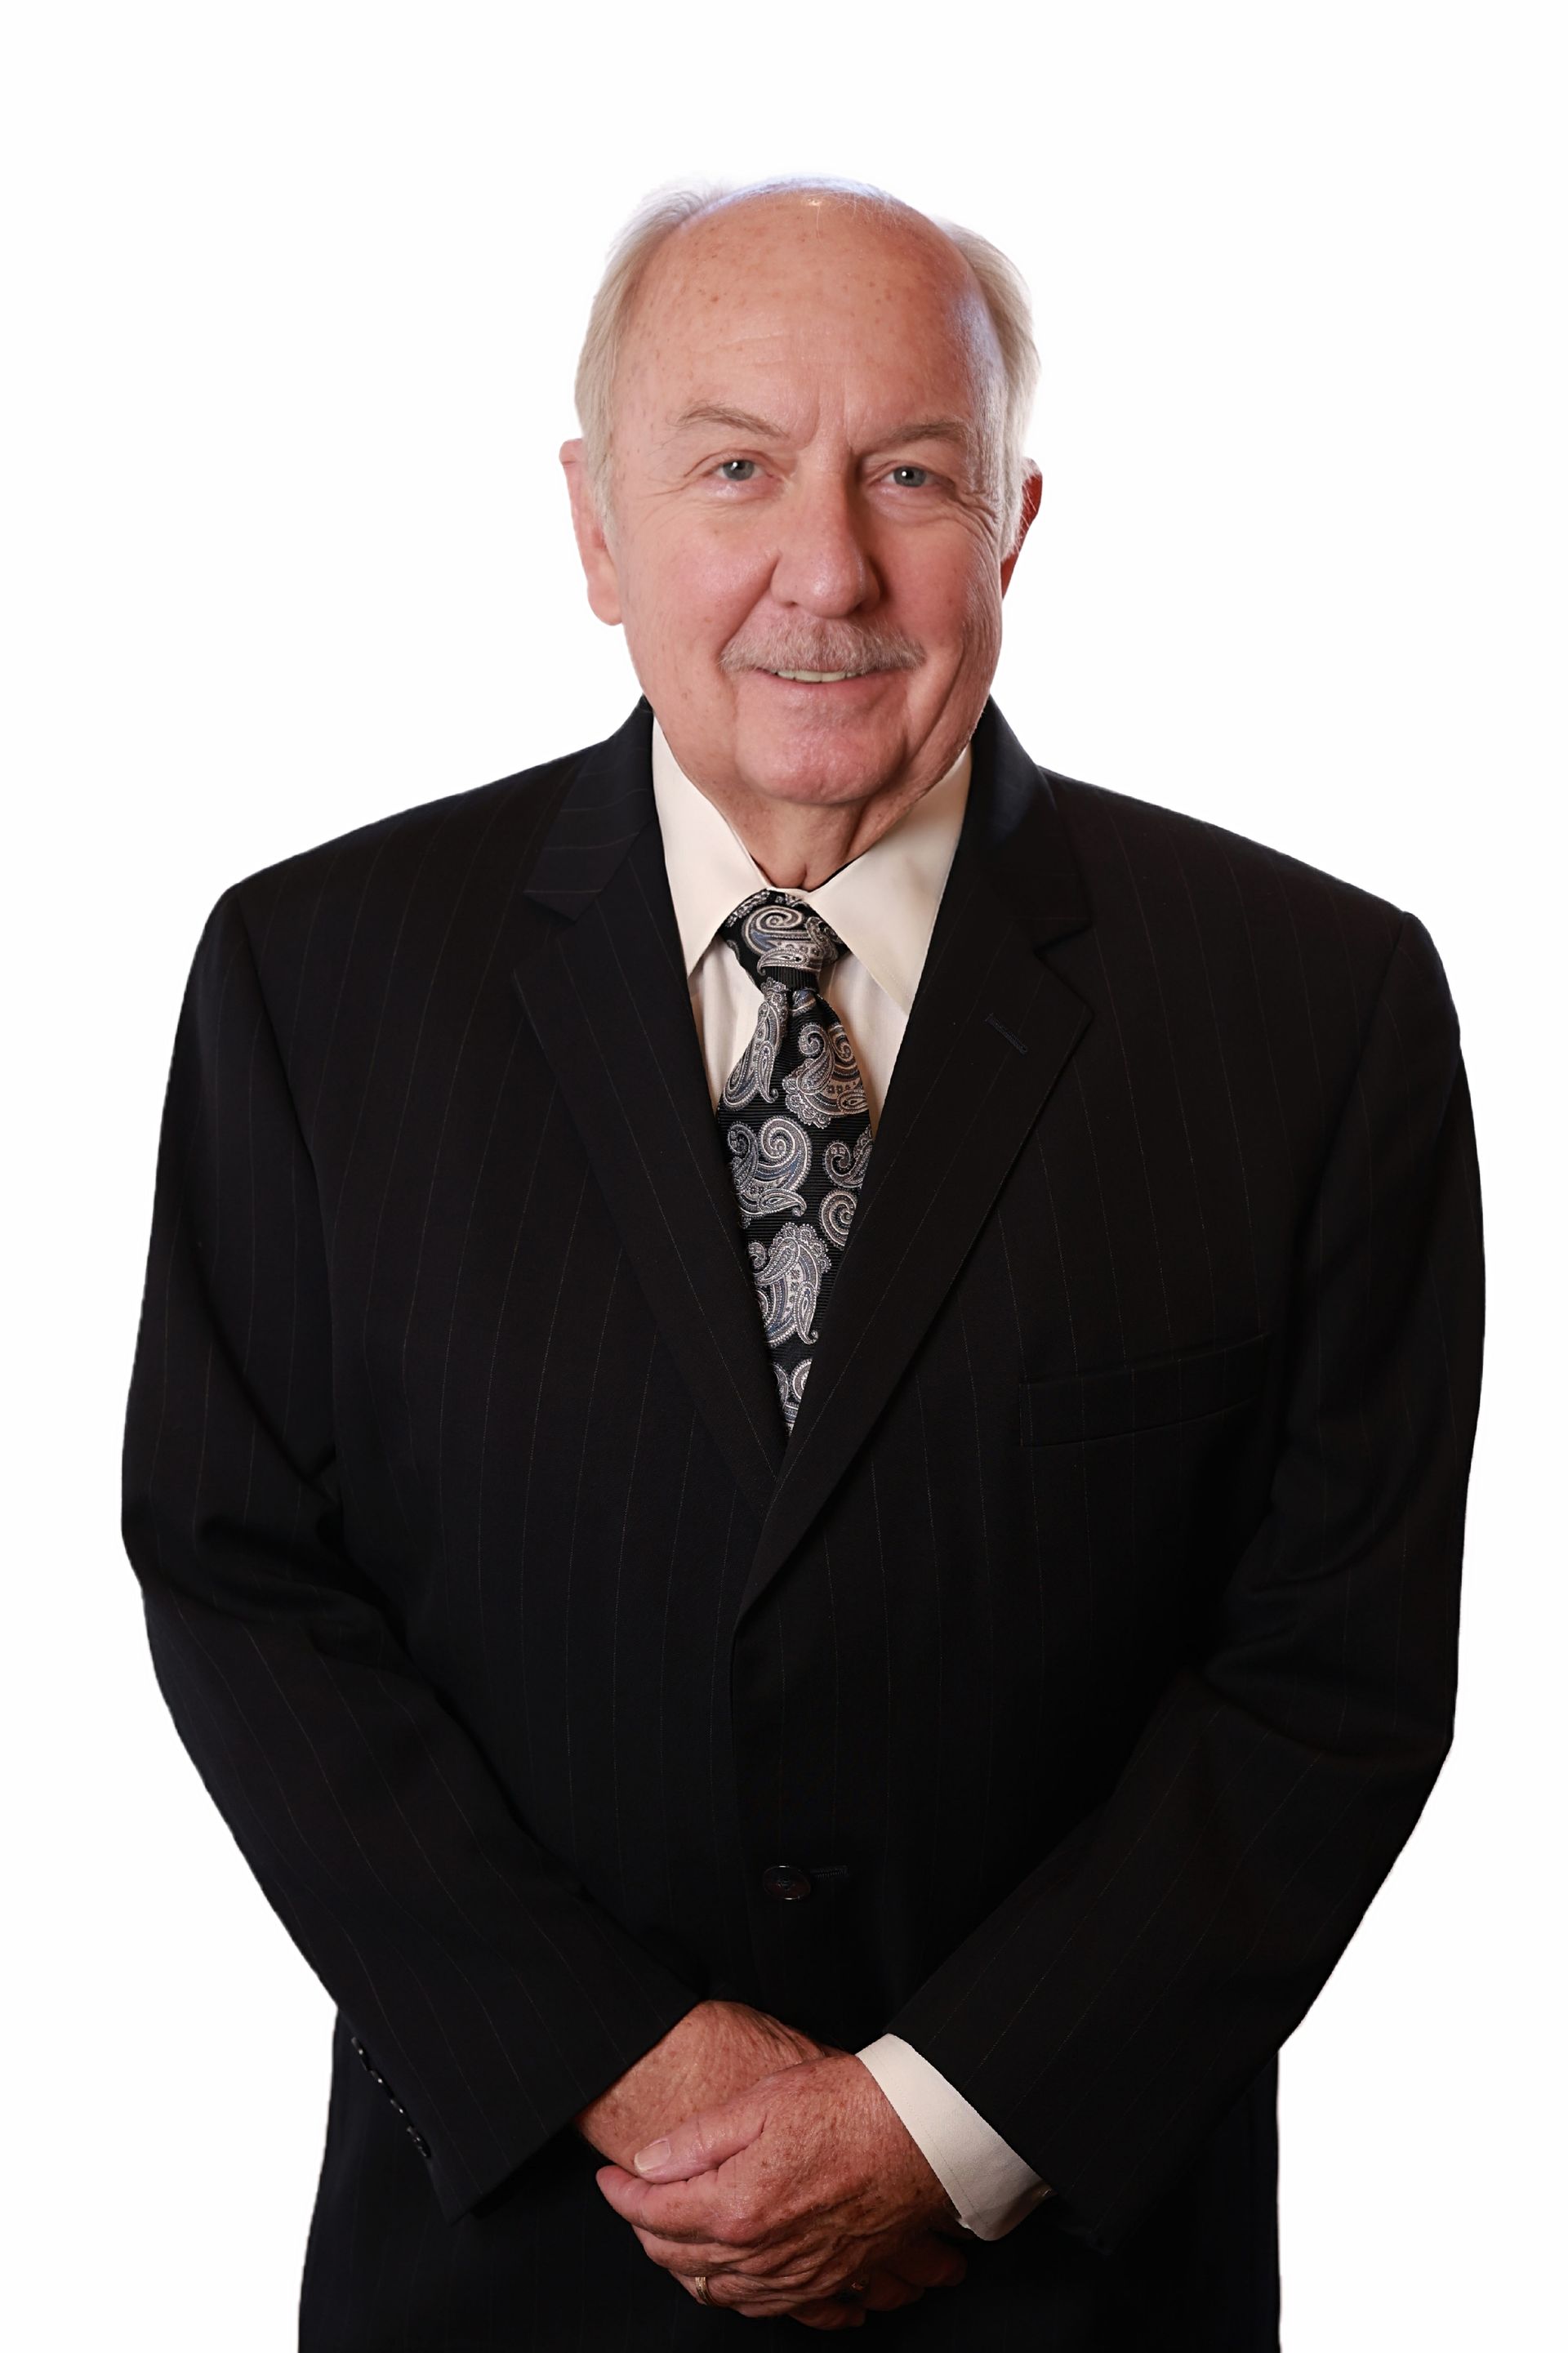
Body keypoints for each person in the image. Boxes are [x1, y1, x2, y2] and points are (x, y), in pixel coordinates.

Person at [121, 177, 1485, 2349]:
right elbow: (242, 1578)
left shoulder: (1316, 1016)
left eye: (911, 476)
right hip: (513, 2267)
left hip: (1073, 2285)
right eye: (734, 466)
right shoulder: (317, 980)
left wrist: (935, 2129)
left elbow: (1328, 1676)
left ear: (1017, 523)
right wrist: (633, 2069)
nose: (825, 572)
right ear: (595, 529)